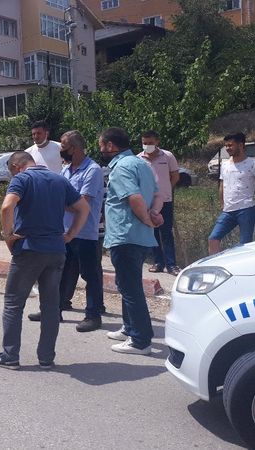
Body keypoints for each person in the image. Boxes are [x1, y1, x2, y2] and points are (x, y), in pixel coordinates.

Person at [0, 152, 89, 370]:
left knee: (14, 303)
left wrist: (8, 236)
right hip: (56, 250)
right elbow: (84, 208)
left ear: (16, 166)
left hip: (29, 250)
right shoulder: (60, 179)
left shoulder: (22, 179)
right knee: (51, 306)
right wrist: (70, 235)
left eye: (11, 170)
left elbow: (7, 207)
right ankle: (46, 358)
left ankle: (10, 355)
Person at [27, 130, 105, 332]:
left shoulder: (92, 170)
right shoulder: (66, 170)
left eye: (64, 147)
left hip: (85, 233)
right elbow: (61, 197)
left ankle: (93, 315)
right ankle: (54, 311)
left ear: (76, 148)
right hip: (64, 232)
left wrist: (59, 202)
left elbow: (82, 204)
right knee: (59, 274)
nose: (61, 151)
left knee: (91, 275)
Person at [100, 127, 163, 356]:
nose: (101, 150)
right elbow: (158, 195)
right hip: (139, 237)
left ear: (110, 146)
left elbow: (134, 198)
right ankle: (129, 328)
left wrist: (148, 219)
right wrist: (154, 216)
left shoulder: (122, 168)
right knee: (127, 284)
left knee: (130, 288)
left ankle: (140, 341)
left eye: (101, 145)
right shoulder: (141, 165)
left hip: (126, 235)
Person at [138, 130, 181, 275]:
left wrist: (166, 190)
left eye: (150, 143)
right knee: (152, 233)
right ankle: (158, 262)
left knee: (166, 233)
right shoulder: (138, 159)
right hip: (147, 202)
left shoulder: (167, 156)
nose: (147, 146)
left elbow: (175, 176)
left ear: (157, 142)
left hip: (166, 201)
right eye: (145, 143)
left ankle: (171, 264)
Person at [208, 132, 255, 255]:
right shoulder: (225, 165)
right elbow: (222, 185)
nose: (228, 148)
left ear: (241, 145)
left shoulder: (252, 164)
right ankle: (215, 267)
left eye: (230, 145)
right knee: (213, 239)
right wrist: (222, 203)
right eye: (226, 146)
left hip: (246, 209)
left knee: (245, 245)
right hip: (228, 210)